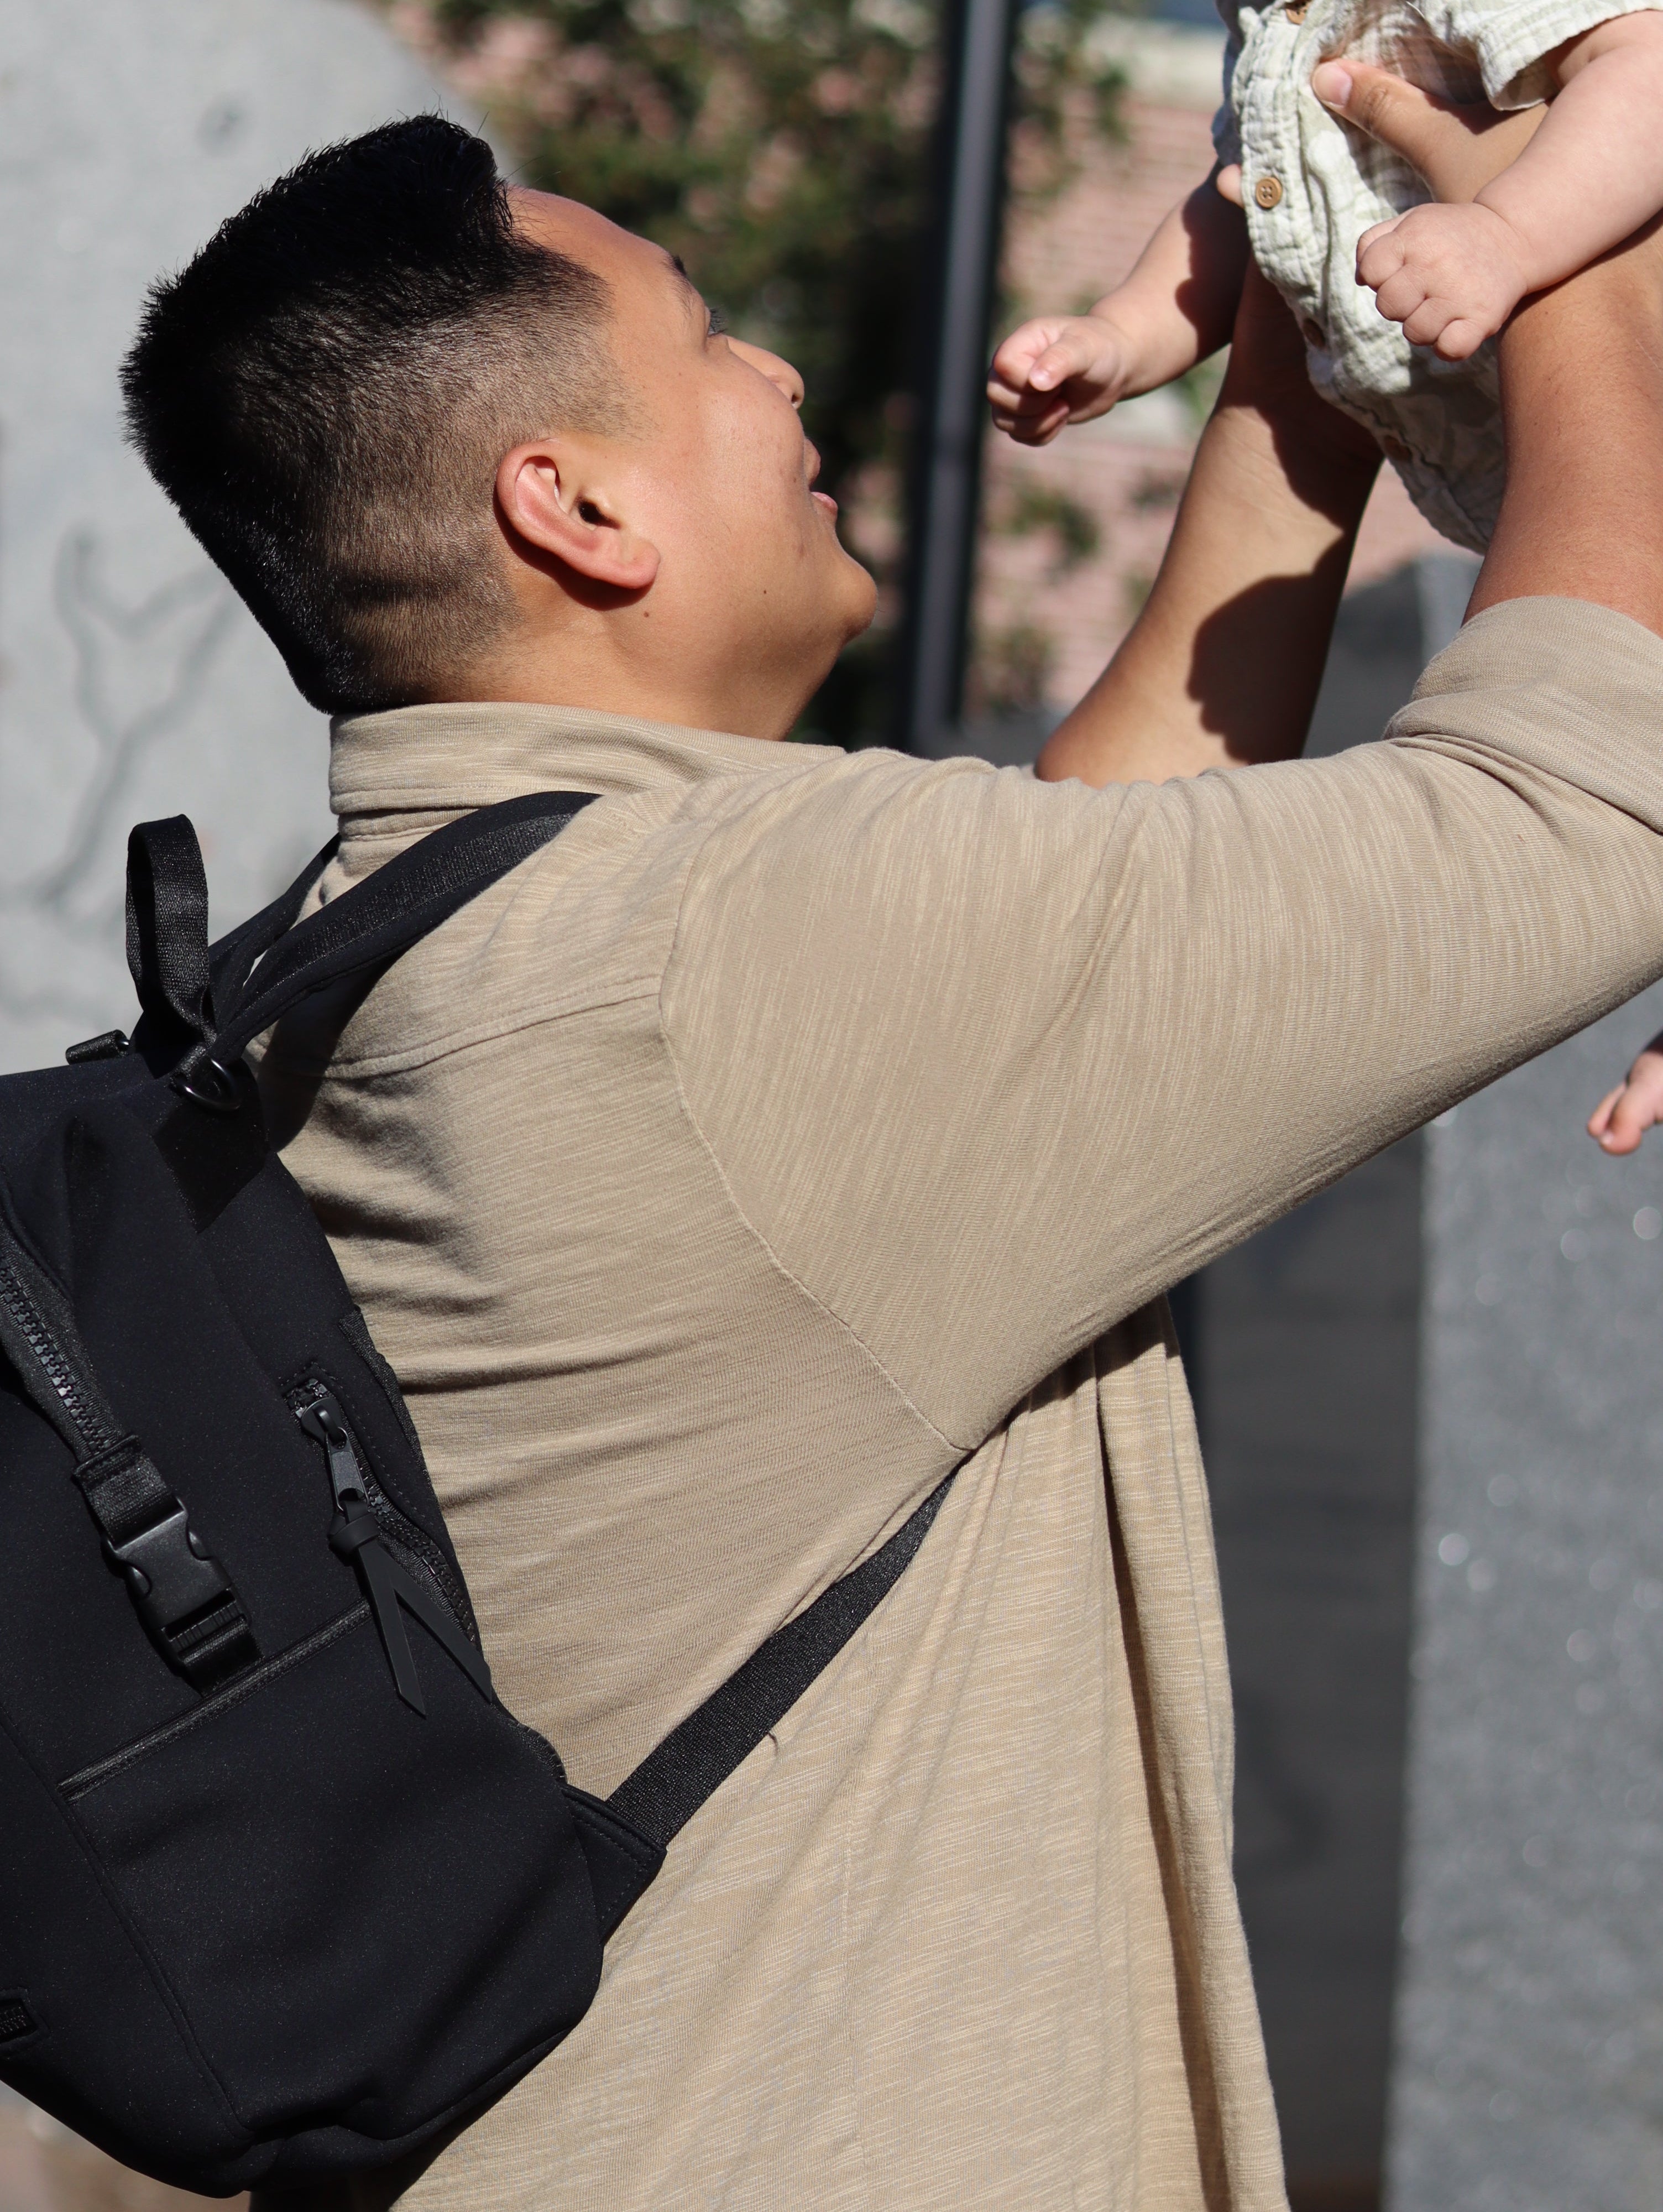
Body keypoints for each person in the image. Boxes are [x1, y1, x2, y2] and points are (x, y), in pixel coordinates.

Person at [116, 72, 1663, 2212]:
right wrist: (1565, 255)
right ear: (570, 507)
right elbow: (1582, 802)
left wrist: (1315, 293)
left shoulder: (417, 934)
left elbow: (1078, 878)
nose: (775, 365)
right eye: (703, 333)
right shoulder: (725, 959)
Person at [985, 0, 1663, 554]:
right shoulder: (1267, 24)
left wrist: (1505, 232)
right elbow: (1250, 202)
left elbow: (1645, 71)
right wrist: (1123, 335)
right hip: (1540, 489)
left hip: (1621, 425)